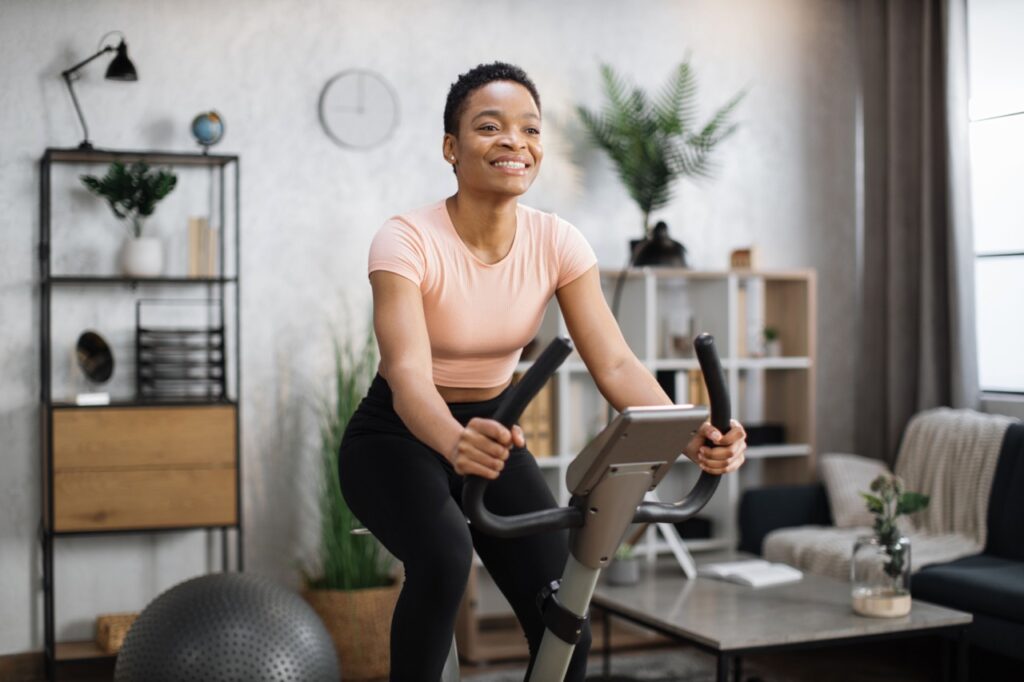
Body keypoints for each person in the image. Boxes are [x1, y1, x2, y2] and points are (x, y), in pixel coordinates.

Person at [338, 62, 748, 682]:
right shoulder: (405, 240)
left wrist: (689, 433)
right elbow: (407, 376)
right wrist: (455, 442)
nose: (514, 142)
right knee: (446, 560)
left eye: (529, 129)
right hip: (396, 437)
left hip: (494, 434)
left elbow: (612, 360)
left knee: (565, 610)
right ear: (451, 147)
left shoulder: (558, 241)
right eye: (489, 127)